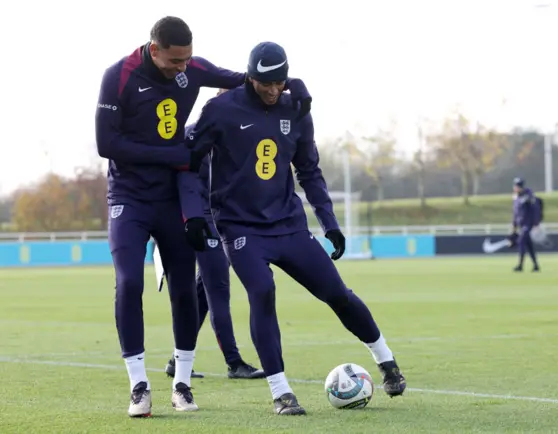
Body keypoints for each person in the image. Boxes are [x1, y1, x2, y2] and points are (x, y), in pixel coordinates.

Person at [95, 17, 310, 417]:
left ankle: (182, 384)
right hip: (129, 195)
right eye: (176, 61)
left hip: (174, 196)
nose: (184, 69)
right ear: (154, 49)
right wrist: (176, 155)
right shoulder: (119, 76)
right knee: (128, 282)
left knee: (183, 288)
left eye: (188, 60)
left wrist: (291, 85)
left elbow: (244, 80)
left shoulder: (190, 67)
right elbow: (106, 143)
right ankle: (138, 385)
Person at [185, 41, 406, 416]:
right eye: (265, 84)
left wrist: (329, 222)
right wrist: (194, 215)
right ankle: (281, 391)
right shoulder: (220, 110)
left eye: (280, 83)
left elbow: (309, 170)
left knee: (337, 293)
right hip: (240, 228)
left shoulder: (297, 108)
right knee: (263, 291)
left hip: (288, 225)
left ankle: (387, 362)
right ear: (250, 78)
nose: (273, 91)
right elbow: (189, 164)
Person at [165, 104, 265, 380]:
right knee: (218, 290)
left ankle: (177, 359)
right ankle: (234, 363)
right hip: (203, 221)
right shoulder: (198, 135)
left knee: (203, 292)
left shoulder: (231, 135)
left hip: (213, 220)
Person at [510, 178, 541, 272]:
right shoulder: (516, 197)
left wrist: (536, 223)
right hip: (521, 224)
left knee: (521, 242)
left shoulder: (528, 196)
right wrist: (514, 225)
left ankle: (520, 265)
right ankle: (536, 265)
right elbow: (515, 213)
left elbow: (535, 210)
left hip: (528, 224)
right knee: (529, 245)